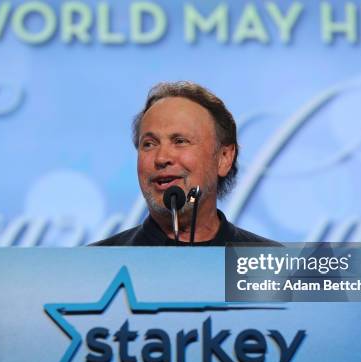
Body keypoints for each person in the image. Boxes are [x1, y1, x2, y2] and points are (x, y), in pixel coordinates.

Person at [93, 81, 277, 246]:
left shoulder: (273, 267)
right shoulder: (94, 265)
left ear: (224, 158)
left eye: (180, 141)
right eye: (149, 144)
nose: (161, 158)